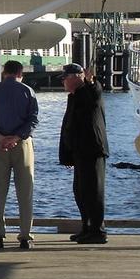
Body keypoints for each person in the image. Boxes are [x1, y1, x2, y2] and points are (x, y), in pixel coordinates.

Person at [0, 60, 39, 250]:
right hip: (22, 144)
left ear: (4, 72)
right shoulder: (28, 91)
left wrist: (0, 136)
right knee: (25, 192)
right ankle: (25, 237)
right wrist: (17, 137)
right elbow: (33, 119)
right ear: (21, 73)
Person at [59, 63, 110, 244]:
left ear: (77, 77)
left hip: (92, 150)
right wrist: (66, 154)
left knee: (93, 191)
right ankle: (87, 227)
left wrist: (90, 81)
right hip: (79, 151)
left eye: (66, 77)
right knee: (80, 191)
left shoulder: (91, 91)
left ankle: (98, 230)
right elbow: (69, 125)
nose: (63, 81)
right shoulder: (74, 96)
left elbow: (94, 93)